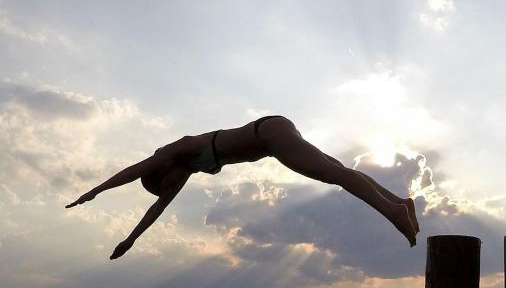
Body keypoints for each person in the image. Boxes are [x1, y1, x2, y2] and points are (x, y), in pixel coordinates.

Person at [66, 116, 420, 259]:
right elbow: (156, 210)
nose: (173, 188)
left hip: (267, 134)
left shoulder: (178, 150)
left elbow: (133, 170)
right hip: (273, 134)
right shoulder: (186, 170)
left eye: (166, 184)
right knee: (337, 169)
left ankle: (392, 212)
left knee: (332, 175)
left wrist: (94, 192)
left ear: (162, 173)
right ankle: (399, 200)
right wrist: (131, 239)